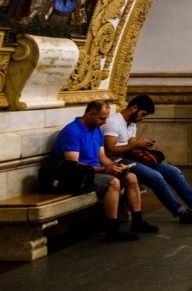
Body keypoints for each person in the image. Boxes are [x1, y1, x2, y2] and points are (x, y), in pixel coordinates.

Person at [102, 95, 192, 224]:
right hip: (118, 161)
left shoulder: (132, 123)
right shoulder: (113, 122)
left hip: (130, 157)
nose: (143, 118)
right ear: (134, 108)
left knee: (173, 171)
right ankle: (181, 212)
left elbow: (130, 145)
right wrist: (135, 144)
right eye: (143, 114)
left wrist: (142, 146)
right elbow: (110, 150)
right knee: (155, 176)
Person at [52, 100, 154, 241]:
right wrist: (104, 170)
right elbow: (74, 166)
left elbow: (102, 157)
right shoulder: (72, 131)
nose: (105, 122)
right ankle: (112, 229)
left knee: (131, 177)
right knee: (113, 183)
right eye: (102, 118)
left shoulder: (96, 131)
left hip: (93, 171)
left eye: (106, 118)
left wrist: (114, 167)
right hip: (75, 176)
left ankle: (138, 222)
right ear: (89, 114)